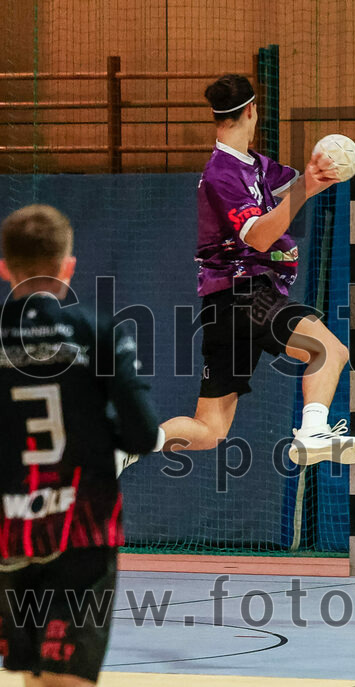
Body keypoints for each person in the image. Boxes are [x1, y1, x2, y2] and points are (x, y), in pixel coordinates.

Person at [123, 74, 355, 471]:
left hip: (223, 306)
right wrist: (304, 187)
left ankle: (129, 444)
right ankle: (312, 432)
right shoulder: (221, 173)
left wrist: (343, 165)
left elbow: (298, 188)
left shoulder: (255, 166)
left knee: (209, 430)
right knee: (328, 349)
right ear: (251, 110)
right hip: (244, 293)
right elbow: (259, 237)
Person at [0, 205, 162, 686]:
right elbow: (143, 435)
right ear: (68, 266)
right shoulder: (100, 332)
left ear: (5, 266)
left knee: (32, 672)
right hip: (81, 528)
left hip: (9, 531)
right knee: (65, 675)